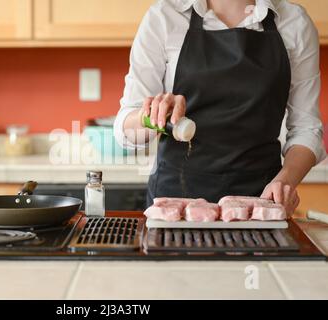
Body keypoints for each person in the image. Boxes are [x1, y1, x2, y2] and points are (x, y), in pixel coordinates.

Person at [114, 0, 327, 214]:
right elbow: (125, 129)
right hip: (176, 204)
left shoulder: (294, 22)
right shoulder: (165, 16)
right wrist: (150, 116)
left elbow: (306, 128)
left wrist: (285, 181)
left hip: (260, 202)